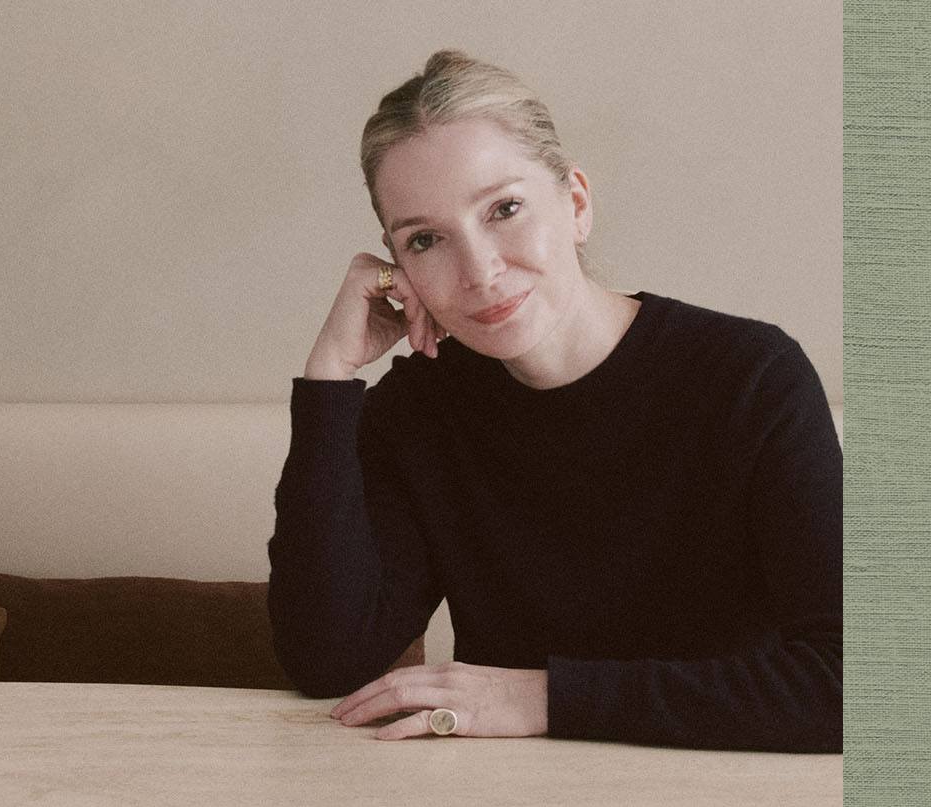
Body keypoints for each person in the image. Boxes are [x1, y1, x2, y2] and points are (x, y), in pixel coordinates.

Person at [266, 49, 842, 752]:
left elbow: (849, 685)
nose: (479, 271)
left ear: (575, 203)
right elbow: (328, 660)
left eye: (504, 209)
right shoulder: (421, 407)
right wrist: (331, 378)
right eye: (425, 239)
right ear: (397, 265)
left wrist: (547, 695)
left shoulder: (750, 379)